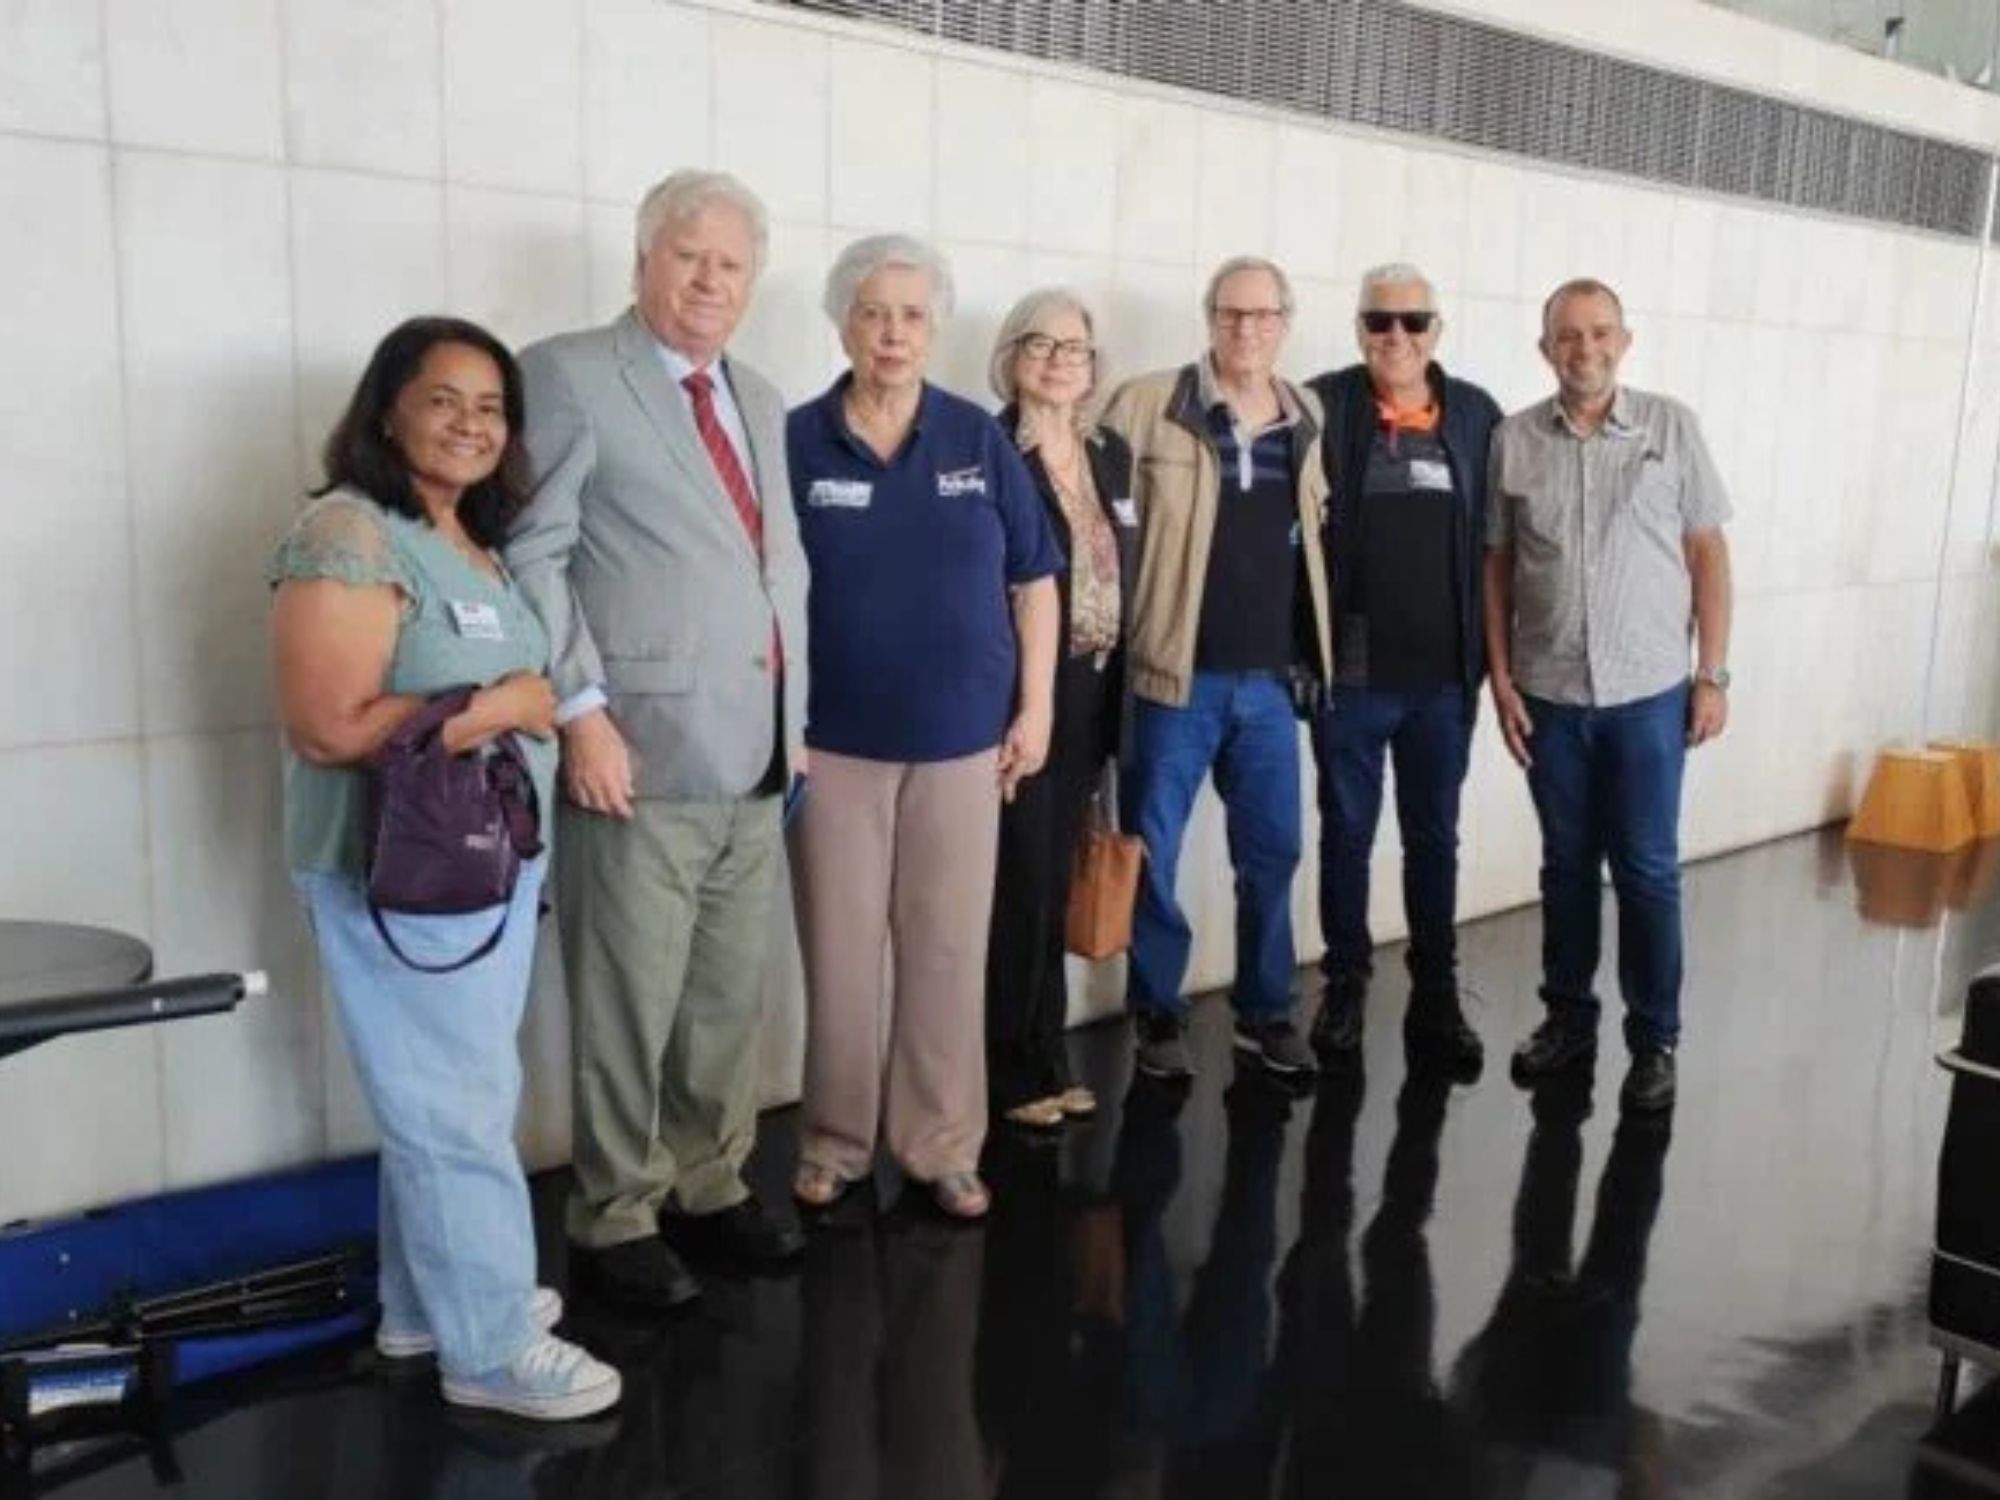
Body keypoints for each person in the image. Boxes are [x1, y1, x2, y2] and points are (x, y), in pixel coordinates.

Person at [271, 316, 620, 1422]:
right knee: (457, 1106)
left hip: (478, 864)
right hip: (399, 869)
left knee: (449, 1094)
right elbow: (327, 726)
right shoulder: (348, 532)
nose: (471, 424)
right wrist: (501, 708)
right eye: (443, 399)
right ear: (387, 411)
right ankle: (491, 1347)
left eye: (491, 407)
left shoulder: (460, 534)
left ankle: (426, 1308)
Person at [507, 170, 811, 1310]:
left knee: (726, 996)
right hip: (633, 750)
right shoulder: (569, 373)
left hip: (757, 751)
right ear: (642, 261)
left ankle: (709, 1183)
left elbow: (772, 569)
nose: (709, 280)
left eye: (731, 263)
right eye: (688, 256)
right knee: (627, 998)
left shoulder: (762, 397)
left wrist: (796, 720)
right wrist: (579, 712)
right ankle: (614, 1215)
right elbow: (534, 553)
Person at [786, 234, 1061, 1221]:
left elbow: (1035, 579)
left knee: (946, 952)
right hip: (833, 749)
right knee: (841, 955)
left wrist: (1035, 707)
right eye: (872, 313)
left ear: (934, 328)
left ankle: (942, 1145)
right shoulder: (796, 439)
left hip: (962, 746)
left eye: (910, 315)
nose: (892, 333)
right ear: (843, 325)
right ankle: (834, 1143)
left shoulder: (975, 438)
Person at [1484, 277, 1734, 1114]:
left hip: (1649, 697)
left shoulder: (1672, 428)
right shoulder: (1515, 440)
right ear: (1545, 348)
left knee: (1648, 871)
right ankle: (1568, 1021)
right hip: (1550, 697)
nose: (1583, 348)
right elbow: (1496, 565)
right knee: (1565, 867)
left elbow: (1708, 556)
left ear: (1624, 342)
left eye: (1599, 333)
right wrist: (1500, 677)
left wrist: (1712, 675)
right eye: (1567, 335)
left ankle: (1655, 1040)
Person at [1100, 256, 1335, 1083]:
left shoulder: (1306, 414)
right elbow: (1100, 528)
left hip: (1269, 684)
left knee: (1273, 853)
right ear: (1209, 318)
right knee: (1152, 852)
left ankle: (1265, 1011)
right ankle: (1157, 1011)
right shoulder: (1145, 403)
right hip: (1172, 678)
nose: (1247, 329)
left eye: (1264, 315)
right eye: (1232, 313)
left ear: (1285, 324)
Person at [1304, 264, 1501, 1080]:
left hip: (1444, 681)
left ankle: (1437, 995)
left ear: (1436, 331)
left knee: (1434, 839)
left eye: (1413, 322)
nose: (1396, 337)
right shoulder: (1324, 404)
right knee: (1346, 835)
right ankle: (1345, 986)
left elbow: (1499, 544)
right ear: (1359, 329)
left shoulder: (1478, 415)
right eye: (1379, 321)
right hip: (1352, 678)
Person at [983, 287, 1136, 1131]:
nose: (1057, 360)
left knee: (1055, 880)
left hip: (1094, 693)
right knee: (1021, 888)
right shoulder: (991, 450)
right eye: (1039, 344)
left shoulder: (1107, 452)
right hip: (1023, 697)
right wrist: (1023, 705)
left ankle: (1049, 1055)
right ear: (1011, 357)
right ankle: (1012, 1074)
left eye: (1074, 347)